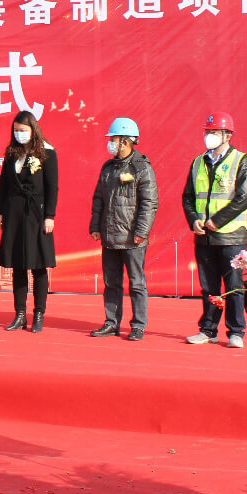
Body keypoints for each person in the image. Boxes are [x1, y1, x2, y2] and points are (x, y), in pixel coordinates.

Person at [182, 111, 247, 349]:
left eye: (214, 132)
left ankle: (236, 332)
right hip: (204, 237)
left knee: (234, 287)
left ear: (228, 135)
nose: (209, 136)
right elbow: (188, 197)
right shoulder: (198, 162)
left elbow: (243, 198)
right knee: (209, 288)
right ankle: (208, 330)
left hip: (231, 236)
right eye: (207, 131)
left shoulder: (241, 161)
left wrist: (217, 221)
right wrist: (194, 220)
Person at [89, 118, 158, 341]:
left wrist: (141, 232)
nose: (110, 143)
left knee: (137, 283)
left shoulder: (142, 168)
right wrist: (95, 226)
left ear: (126, 141)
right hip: (110, 235)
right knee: (111, 283)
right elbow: (98, 199)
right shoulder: (108, 168)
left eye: (114, 139)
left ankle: (138, 325)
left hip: (132, 238)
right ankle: (111, 323)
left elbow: (149, 203)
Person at [0, 110, 58, 333]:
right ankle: (20, 314)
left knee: (39, 266)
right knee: (18, 265)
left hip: (36, 215)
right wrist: (0, 212)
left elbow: (52, 187)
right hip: (14, 214)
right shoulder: (12, 153)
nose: (19, 134)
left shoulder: (47, 152)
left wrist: (49, 216)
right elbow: (3, 185)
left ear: (33, 129)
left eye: (23, 130)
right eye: (16, 130)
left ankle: (38, 313)